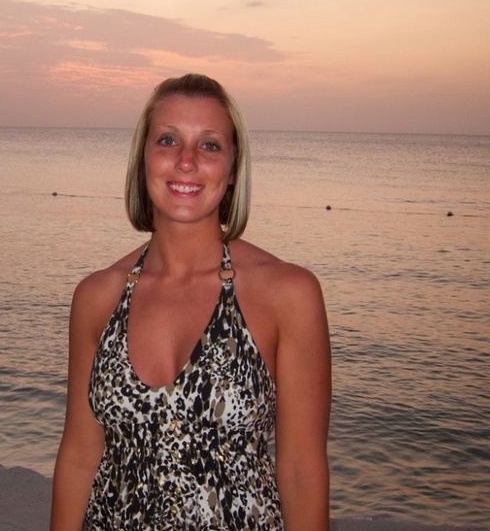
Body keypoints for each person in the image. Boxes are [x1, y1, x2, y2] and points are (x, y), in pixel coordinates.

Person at [51, 73, 331, 530]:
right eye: (168, 140)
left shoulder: (288, 295)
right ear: (143, 158)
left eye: (210, 145)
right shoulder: (97, 297)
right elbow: (80, 457)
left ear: (233, 168)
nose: (186, 161)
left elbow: (301, 473)